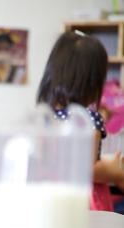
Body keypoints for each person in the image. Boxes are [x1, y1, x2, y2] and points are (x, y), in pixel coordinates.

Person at [36, 31, 124, 211]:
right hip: (82, 199)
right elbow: (88, 169)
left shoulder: (45, 117)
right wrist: (117, 172)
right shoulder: (88, 120)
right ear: (92, 83)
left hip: (48, 194)